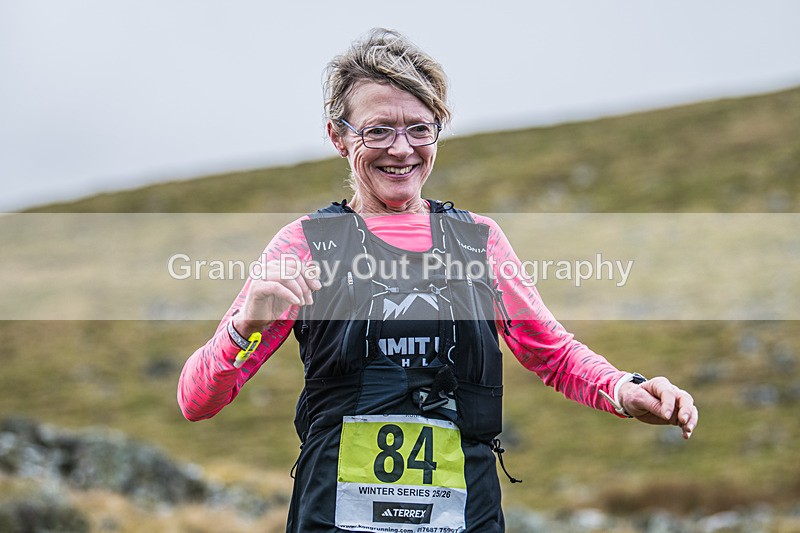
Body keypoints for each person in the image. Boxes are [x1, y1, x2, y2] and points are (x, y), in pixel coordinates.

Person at [178, 28, 698, 533]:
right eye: (378, 130)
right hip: (333, 520)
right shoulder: (305, 245)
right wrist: (245, 327)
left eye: (419, 129)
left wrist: (624, 390)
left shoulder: (478, 241)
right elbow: (196, 400)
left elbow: (553, 354)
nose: (401, 149)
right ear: (339, 136)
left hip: (467, 519)